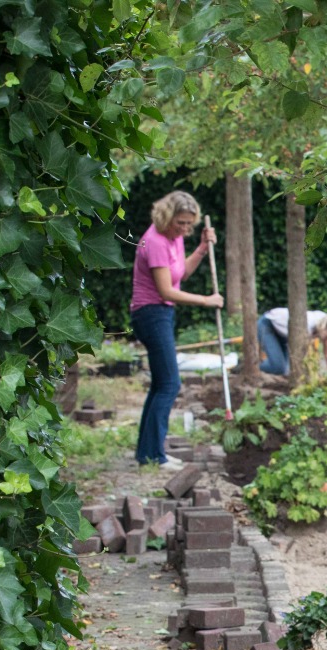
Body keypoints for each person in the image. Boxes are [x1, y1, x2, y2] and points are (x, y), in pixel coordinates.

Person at [130, 190, 222, 468]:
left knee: (161, 383)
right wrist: (207, 300)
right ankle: (155, 455)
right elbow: (166, 290)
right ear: (168, 216)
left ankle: (147, 453)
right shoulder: (155, 241)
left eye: (189, 224)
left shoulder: (174, 238)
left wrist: (202, 249)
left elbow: (180, 273)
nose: (184, 229)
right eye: (180, 222)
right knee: (170, 383)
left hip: (162, 313)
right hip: (150, 314)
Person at [256, 307, 327, 378]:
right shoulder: (307, 326)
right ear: (324, 327)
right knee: (278, 367)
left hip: (285, 333)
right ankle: (250, 368)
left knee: (286, 370)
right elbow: (300, 354)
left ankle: (264, 364)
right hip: (268, 324)